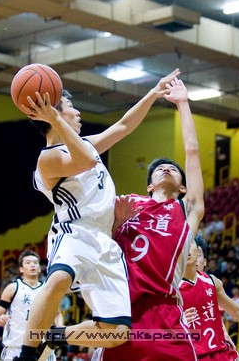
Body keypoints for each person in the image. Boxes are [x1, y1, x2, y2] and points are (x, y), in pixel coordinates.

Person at [14, 69, 182, 361]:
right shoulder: (48, 158)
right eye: (71, 107)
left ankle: (56, 336)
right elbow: (87, 160)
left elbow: (124, 125)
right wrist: (54, 118)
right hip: (74, 231)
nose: (78, 112)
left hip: (105, 241)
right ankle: (26, 355)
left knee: (117, 332)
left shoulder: (85, 145)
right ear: (53, 114)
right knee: (58, 279)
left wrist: (154, 93)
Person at [96, 77, 204, 360]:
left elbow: (192, 152)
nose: (166, 168)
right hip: (122, 315)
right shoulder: (127, 206)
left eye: (173, 169)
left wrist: (183, 103)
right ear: (149, 185)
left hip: (166, 316)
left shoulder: (186, 210)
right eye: (160, 169)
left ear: (183, 188)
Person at [0, 250, 57, 361]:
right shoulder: (12, 288)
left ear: (39, 268)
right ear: (21, 269)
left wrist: (59, 326)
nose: (32, 265)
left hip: (42, 348)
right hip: (15, 348)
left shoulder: (47, 289)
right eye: (28, 262)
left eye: (35, 262)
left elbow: (57, 314)